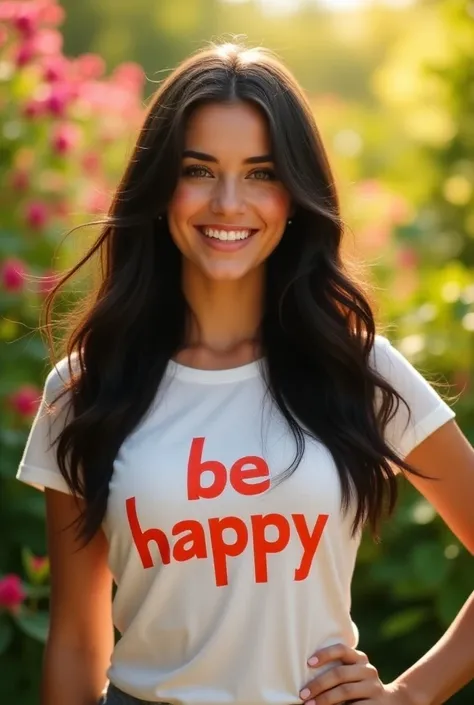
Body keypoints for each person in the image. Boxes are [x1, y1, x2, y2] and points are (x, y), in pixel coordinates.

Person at [16, 42, 474, 705]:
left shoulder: (358, 370)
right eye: (199, 170)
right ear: (160, 186)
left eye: (260, 173)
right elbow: (78, 641)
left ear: (294, 194)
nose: (229, 202)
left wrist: (410, 694)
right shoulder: (85, 388)